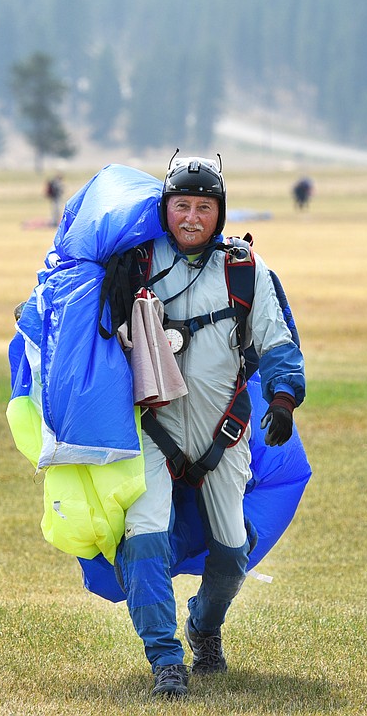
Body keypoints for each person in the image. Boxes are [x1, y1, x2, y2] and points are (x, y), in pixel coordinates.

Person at [116, 154, 306, 698]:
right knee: (144, 538)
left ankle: (205, 625)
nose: (192, 218)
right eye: (182, 206)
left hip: (225, 434)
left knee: (230, 551)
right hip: (152, 430)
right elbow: (86, 328)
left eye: (205, 207)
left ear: (219, 213)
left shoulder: (246, 269)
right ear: (165, 209)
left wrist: (285, 398)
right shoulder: (135, 264)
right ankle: (164, 660)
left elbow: (276, 341)